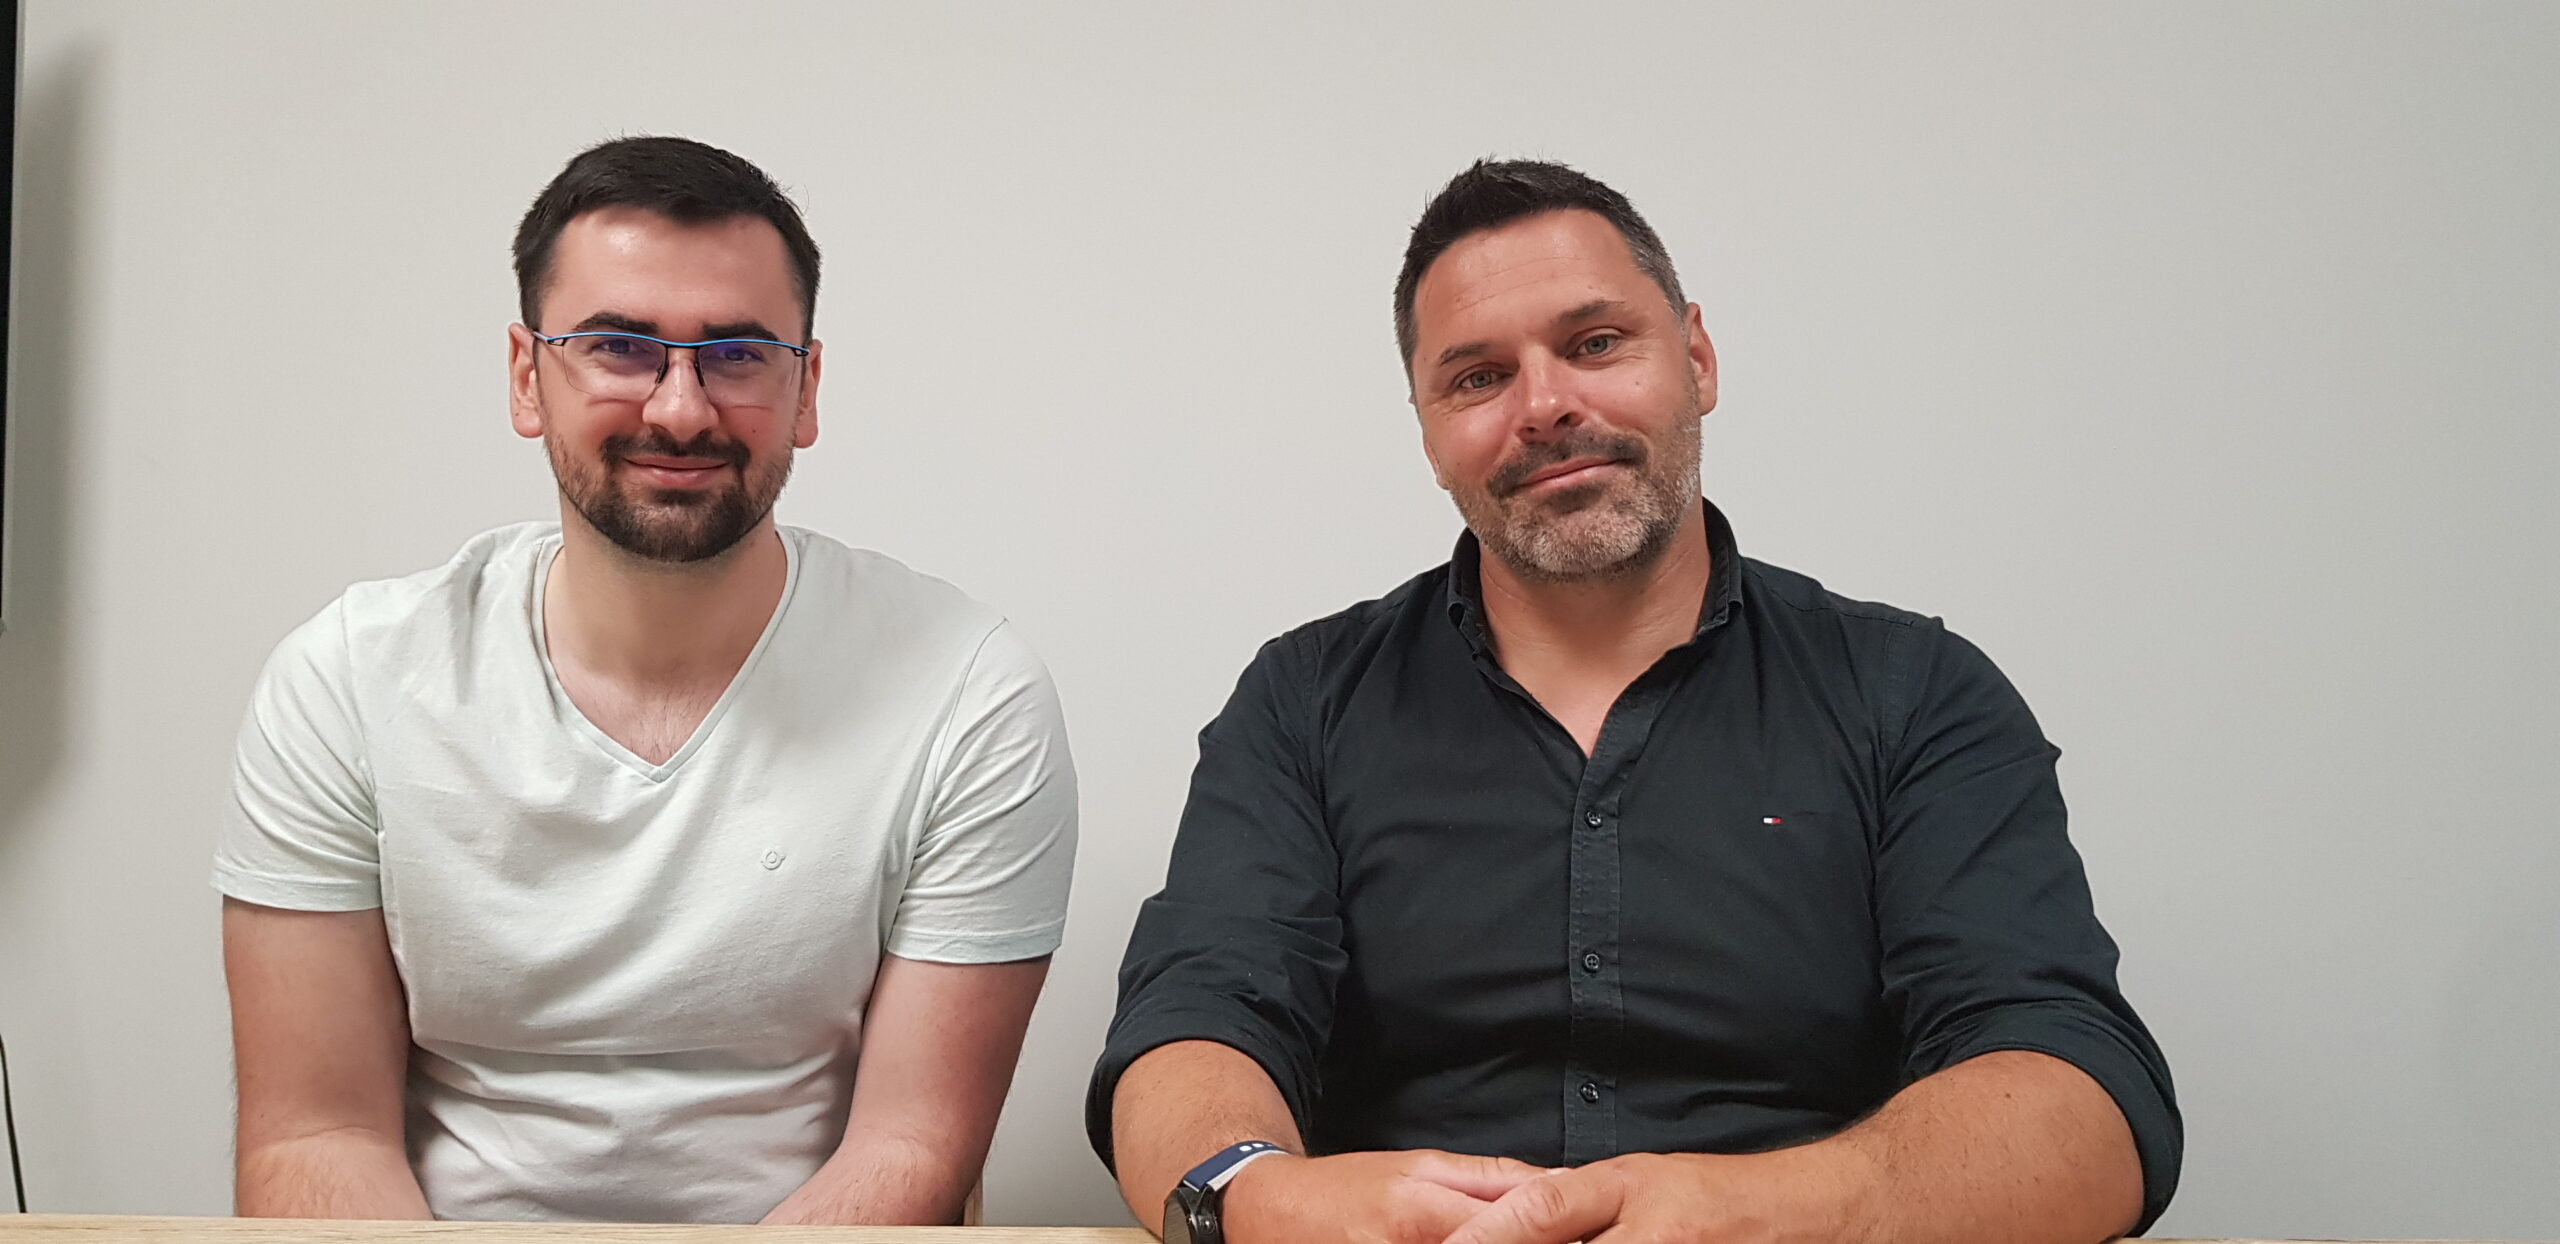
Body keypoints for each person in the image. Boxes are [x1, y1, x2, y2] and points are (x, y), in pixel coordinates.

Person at [1091, 159, 2178, 1244]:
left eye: (1596, 343)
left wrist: (1752, 1212)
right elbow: (1194, 1023)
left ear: (1696, 359)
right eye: (1477, 377)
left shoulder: (1915, 693)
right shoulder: (1305, 701)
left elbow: (2083, 1111)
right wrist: (1260, 1195)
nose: (1545, 406)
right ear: (1428, 434)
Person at [215, 136, 1076, 1225]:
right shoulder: (346, 680)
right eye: (618, 348)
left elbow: (911, 1148)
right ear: (527, 376)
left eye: (738, 354)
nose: (679, 409)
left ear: (805, 389)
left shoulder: (965, 691)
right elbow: (315, 1136)